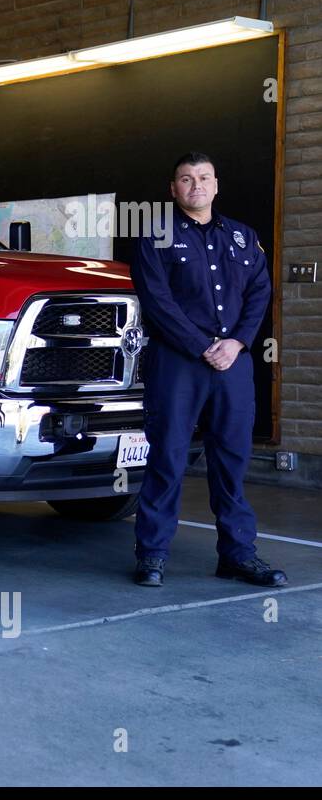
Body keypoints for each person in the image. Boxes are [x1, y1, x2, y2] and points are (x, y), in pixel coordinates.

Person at [130, 152, 285, 587]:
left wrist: (236, 342)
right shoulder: (155, 235)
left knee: (232, 461)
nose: (195, 185)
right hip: (178, 365)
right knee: (168, 457)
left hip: (233, 364)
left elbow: (260, 292)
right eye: (185, 179)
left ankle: (237, 555)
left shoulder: (241, 237)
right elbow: (157, 301)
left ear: (216, 185)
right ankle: (153, 555)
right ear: (173, 189)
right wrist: (202, 346)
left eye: (203, 178)